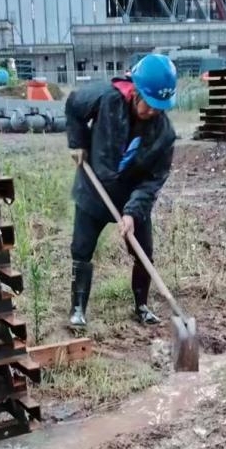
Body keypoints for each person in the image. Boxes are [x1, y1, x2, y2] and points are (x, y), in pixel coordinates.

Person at [64, 53, 178, 328]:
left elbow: (153, 180)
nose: (153, 111)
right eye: (149, 104)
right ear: (136, 91)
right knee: (82, 249)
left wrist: (132, 213)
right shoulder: (107, 97)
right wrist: (78, 143)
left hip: (131, 195)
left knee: (143, 253)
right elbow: (74, 106)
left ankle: (142, 305)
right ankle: (78, 308)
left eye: (159, 107)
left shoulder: (164, 133)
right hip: (95, 188)